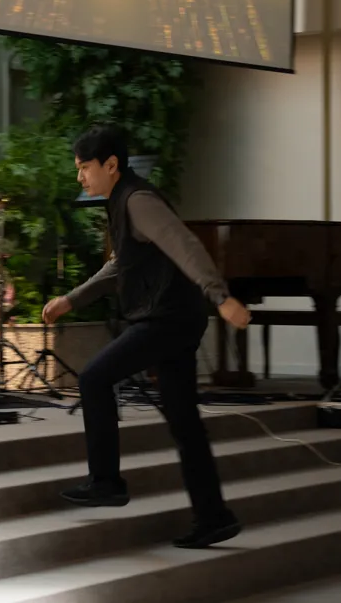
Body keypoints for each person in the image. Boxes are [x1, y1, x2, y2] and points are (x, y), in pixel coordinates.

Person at [42, 124, 252, 549]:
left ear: (111, 165)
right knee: (185, 423)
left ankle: (106, 481)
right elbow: (121, 265)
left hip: (166, 320)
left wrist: (220, 296)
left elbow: (184, 244)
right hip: (175, 319)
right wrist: (71, 300)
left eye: (84, 167)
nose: (79, 177)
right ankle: (214, 516)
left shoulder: (138, 200)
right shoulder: (122, 200)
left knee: (94, 377)